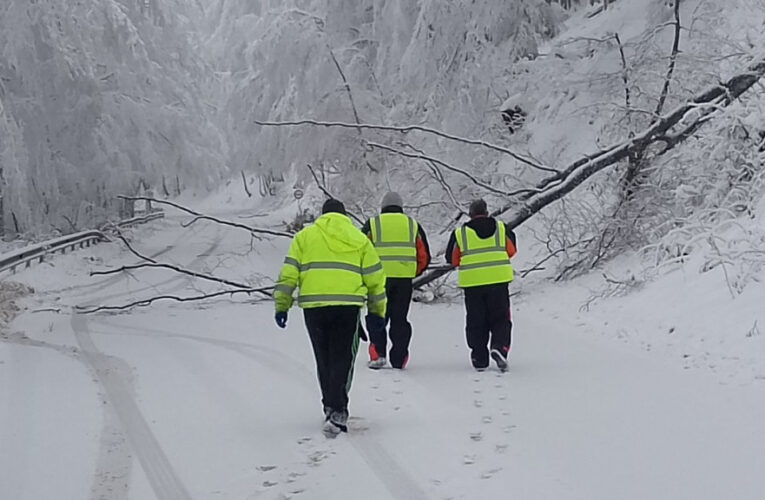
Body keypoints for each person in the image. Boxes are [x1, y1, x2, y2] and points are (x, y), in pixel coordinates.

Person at [274, 198, 387, 436]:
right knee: (342, 358)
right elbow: (375, 279)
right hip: (347, 306)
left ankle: (330, 404)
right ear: (344, 215)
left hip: (314, 307)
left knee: (323, 357)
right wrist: (377, 312)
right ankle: (338, 408)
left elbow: (289, 273)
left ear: (322, 215)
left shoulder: (304, 237)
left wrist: (282, 305)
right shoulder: (359, 239)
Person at [361, 192, 431, 369]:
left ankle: (377, 354)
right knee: (400, 319)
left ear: (383, 207)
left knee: (377, 317)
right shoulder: (412, 225)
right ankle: (399, 358)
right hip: (403, 281)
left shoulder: (373, 224)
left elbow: (360, 251)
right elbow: (424, 255)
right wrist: (413, 271)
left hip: (378, 280)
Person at [445, 199, 517, 372]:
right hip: (498, 282)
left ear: (470, 214)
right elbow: (512, 250)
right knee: (501, 319)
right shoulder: (502, 228)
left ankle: (479, 357)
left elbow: (452, 259)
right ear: (487, 212)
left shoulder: (460, 234)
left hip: (473, 284)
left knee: (476, 320)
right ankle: (499, 348)